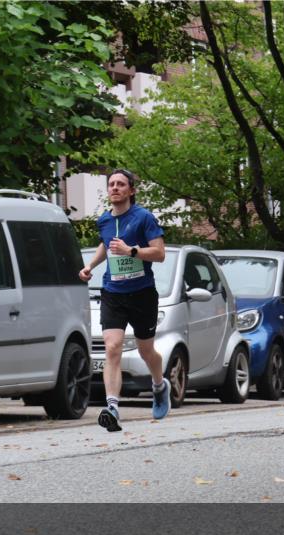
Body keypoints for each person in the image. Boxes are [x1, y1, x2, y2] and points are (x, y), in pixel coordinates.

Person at [78, 168, 169, 432]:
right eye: (111, 184)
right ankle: (113, 407)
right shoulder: (105, 220)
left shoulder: (144, 218)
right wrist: (91, 266)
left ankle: (159, 385)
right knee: (112, 346)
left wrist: (132, 251)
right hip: (113, 292)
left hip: (142, 294)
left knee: (145, 350)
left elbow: (160, 253)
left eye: (120, 184)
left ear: (131, 190)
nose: (115, 188)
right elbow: (107, 246)